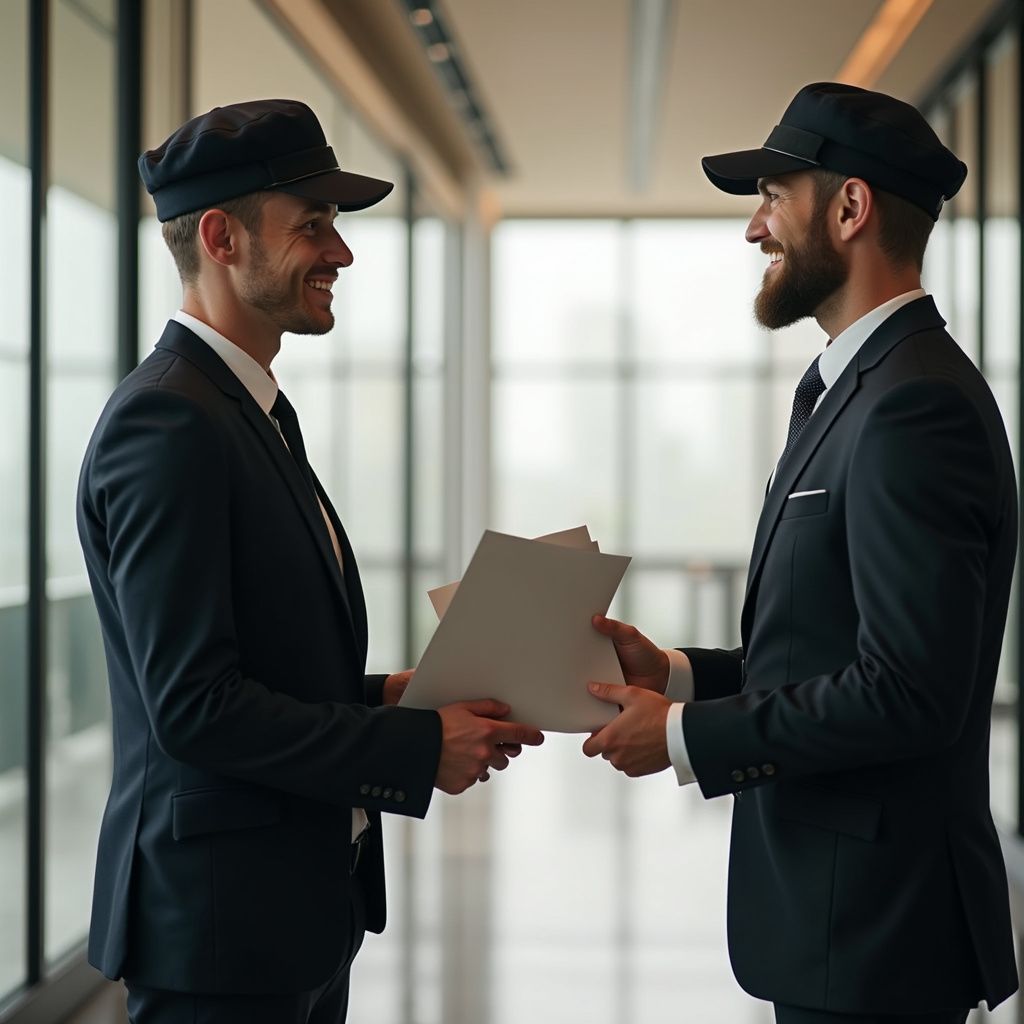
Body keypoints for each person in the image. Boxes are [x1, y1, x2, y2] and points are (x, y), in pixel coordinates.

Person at [77, 98, 543, 1024]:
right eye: (313, 227)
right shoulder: (169, 422)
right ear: (221, 237)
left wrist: (392, 696)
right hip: (217, 928)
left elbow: (255, 664)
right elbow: (195, 708)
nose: (342, 253)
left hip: (284, 912)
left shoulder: (244, 412)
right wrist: (415, 748)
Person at [582, 82, 1018, 1023]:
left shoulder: (913, 404)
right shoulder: (857, 388)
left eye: (773, 196)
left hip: (875, 929)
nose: (755, 229)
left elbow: (908, 691)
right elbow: (830, 652)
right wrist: (678, 675)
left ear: (850, 207)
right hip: (840, 923)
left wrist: (683, 738)